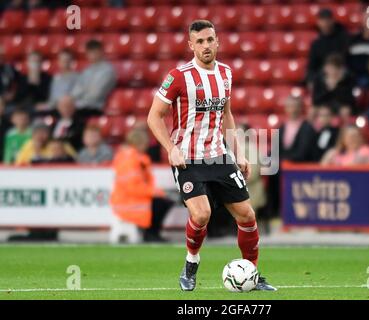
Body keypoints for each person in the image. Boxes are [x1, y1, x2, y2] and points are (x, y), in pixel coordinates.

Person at [147, 20, 276, 291]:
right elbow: (153, 117)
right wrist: (171, 149)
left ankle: (251, 273)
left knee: (247, 216)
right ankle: (191, 264)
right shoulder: (179, 76)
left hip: (218, 156)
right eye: (200, 41)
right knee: (202, 214)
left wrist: (238, 153)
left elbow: (227, 115)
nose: (206, 46)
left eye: (210, 40)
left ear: (217, 42)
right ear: (191, 45)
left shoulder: (226, 74)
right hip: (188, 158)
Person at [110, 128, 167, 244]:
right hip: (129, 201)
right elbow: (132, 186)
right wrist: (153, 192)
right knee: (162, 202)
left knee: (163, 201)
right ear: (139, 143)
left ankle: (151, 233)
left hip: (127, 199)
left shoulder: (132, 157)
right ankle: (151, 233)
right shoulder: (131, 159)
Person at [70, 39, 116, 118]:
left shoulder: (108, 71)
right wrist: (70, 100)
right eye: (90, 52)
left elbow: (96, 95)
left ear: (101, 52)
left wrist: (77, 102)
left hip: (95, 107)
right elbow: (77, 90)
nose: (92, 55)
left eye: (94, 52)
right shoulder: (86, 71)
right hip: (80, 106)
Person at [306, 8, 350, 85]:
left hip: (340, 75)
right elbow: (311, 68)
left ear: (332, 21)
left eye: (328, 20)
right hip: (323, 77)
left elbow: (346, 61)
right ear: (318, 22)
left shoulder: (343, 39)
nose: (325, 23)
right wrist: (311, 81)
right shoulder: (316, 44)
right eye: (322, 20)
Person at [312, 54, 355, 118]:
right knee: (313, 111)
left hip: (340, 105)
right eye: (329, 67)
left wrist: (337, 86)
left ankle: (346, 127)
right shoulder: (319, 79)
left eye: (334, 68)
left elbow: (349, 100)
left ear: (340, 69)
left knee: (345, 111)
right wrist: (328, 88)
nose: (331, 71)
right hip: (324, 105)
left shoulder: (348, 79)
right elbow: (316, 99)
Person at [35, 49, 78, 113]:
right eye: (62, 60)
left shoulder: (77, 77)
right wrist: (47, 105)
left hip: (68, 108)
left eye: (67, 60)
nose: (65, 62)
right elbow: (52, 98)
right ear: (59, 61)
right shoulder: (55, 77)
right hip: (54, 107)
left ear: (71, 61)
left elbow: (75, 96)